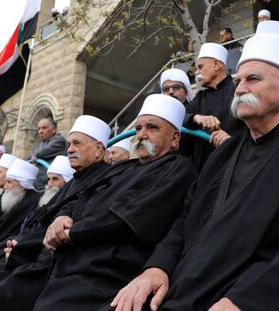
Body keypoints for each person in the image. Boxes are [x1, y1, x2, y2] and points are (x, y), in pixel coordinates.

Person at [110, 21, 279, 311]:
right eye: (238, 81)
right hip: (175, 291)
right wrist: (157, 268)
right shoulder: (224, 153)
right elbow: (186, 219)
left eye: (253, 79)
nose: (240, 88)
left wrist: (246, 302)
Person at [24, 95, 197, 311]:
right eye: (139, 127)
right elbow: (83, 194)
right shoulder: (124, 167)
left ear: (174, 138)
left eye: (152, 128)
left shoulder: (177, 168)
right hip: (70, 260)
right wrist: (62, 217)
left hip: (106, 272)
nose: (141, 134)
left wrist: (71, 233)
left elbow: (126, 217)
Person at [0, 115, 122, 311]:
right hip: (40, 253)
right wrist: (20, 244)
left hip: (66, 261)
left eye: (76, 143)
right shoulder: (78, 179)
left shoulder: (107, 178)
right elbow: (47, 218)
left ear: (99, 148)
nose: (70, 149)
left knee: (8, 290)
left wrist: (24, 249)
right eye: (68, 144)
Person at [0, 155, 75, 311]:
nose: (49, 185)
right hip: (9, 249)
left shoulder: (37, 202)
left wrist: (17, 246)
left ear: (22, 185)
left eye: (55, 179)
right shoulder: (17, 199)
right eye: (48, 179)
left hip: (31, 257)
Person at [184, 42, 245, 171]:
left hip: (234, 167)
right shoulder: (199, 98)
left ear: (216, 65)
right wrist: (196, 118)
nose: (197, 73)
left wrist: (231, 141)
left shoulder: (238, 91)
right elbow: (180, 116)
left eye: (200, 67)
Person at [30, 117, 67, 191]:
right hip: (39, 183)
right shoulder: (43, 143)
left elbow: (40, 153)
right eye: (39, 128)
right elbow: (31, 155)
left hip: (50, 183)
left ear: (53, 130)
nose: (40, 131)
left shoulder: (59, 140)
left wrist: (35, 155)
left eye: (44, 128)